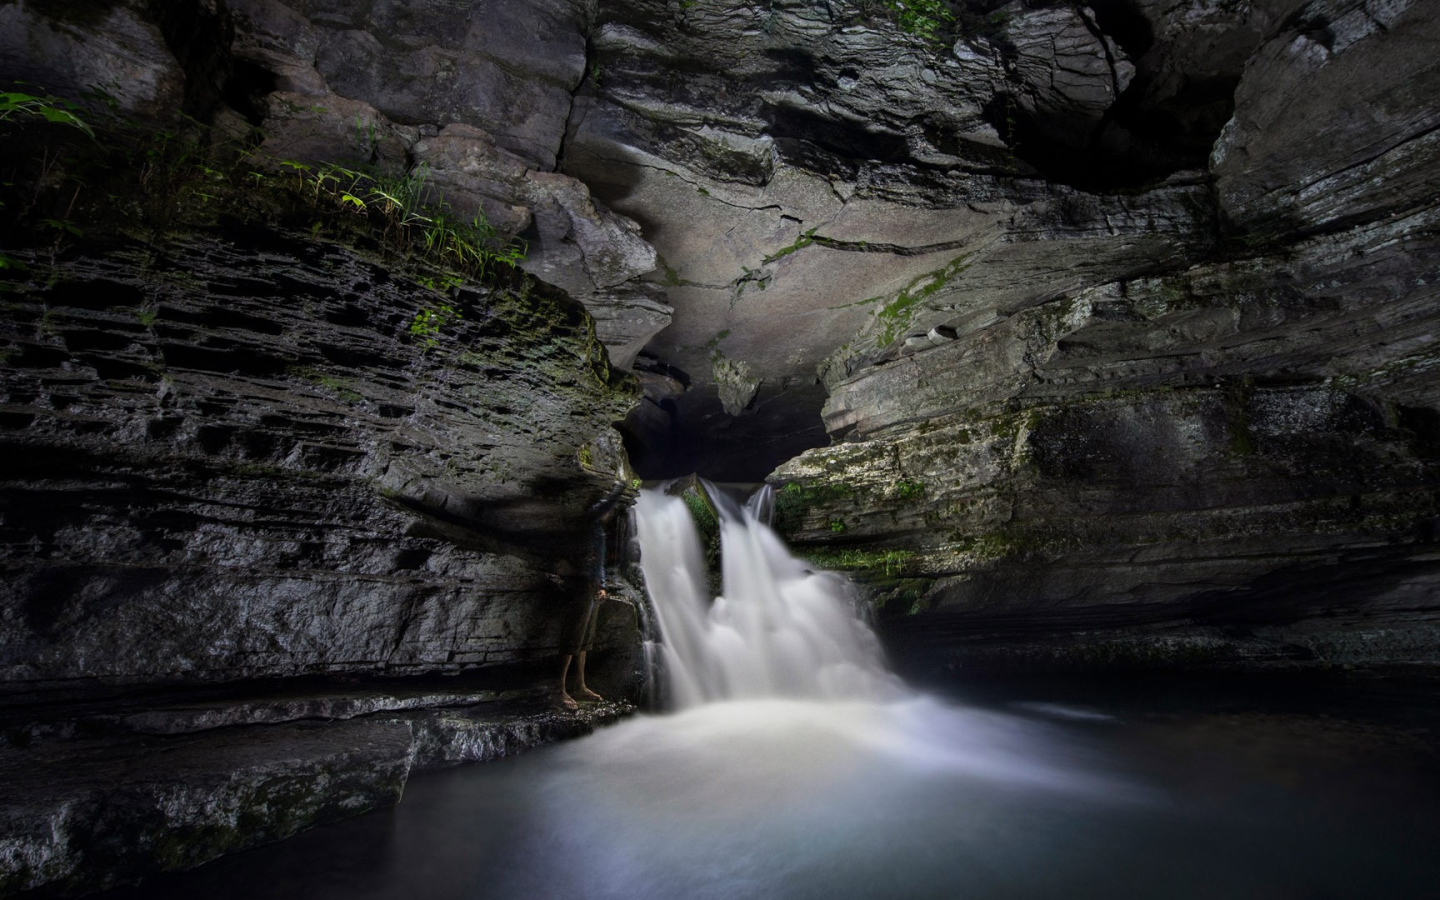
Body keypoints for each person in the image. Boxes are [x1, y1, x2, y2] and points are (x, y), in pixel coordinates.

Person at [558, 585, 606, 710]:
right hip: (578, 585)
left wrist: (602, 586)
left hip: (592, 588)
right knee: (573, 636)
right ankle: (559, 689)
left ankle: (579, 686)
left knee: (585, 637)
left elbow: (598, 565)